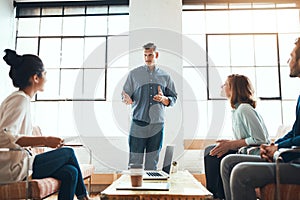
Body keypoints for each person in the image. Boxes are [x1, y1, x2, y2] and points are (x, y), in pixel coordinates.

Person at [0, 49, 95, 200]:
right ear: (35, 78)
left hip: (22, 163)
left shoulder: (21, 99)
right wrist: (44, 140)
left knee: (71, 172)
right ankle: (85, 198)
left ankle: (84, 197)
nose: (46, 78)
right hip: (12, 168)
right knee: (68, 153)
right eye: (44, 74)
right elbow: (4, 136)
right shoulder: (19, 100)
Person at [220, 37, 300, 200]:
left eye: (291, 56)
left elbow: (259, 138)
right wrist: (275, 145)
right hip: (288, 154)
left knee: (240, 172)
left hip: (295, 160)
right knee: (227, 162)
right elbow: (295, 132)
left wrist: (277, 148)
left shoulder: (244, 109)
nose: (287, 61)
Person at [204, 74, 270, 199]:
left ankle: (219, 197)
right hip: (245, 150)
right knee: (210, 150)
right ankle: (215, 195)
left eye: (225, 84)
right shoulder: (237, 110)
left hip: (255, 154)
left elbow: (260, 139)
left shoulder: (244, 109)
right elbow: (247, 138)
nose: (222, 86)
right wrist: (230, 143)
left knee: (214, 155)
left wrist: (232, 144)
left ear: (233, 89)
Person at [122, 42, 177, 170]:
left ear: (156, 55)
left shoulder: (165, 76)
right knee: (135, 161)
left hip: (157, 124)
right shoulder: (134, 74)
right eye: (145, 55)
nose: (147, 58)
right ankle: (134, 189)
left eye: (150, 55)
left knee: (152, 163)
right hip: (138, 123)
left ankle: (150, 190)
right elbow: (125, 94)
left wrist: (164, 99)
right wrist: (127, 99)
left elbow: (173, 98)